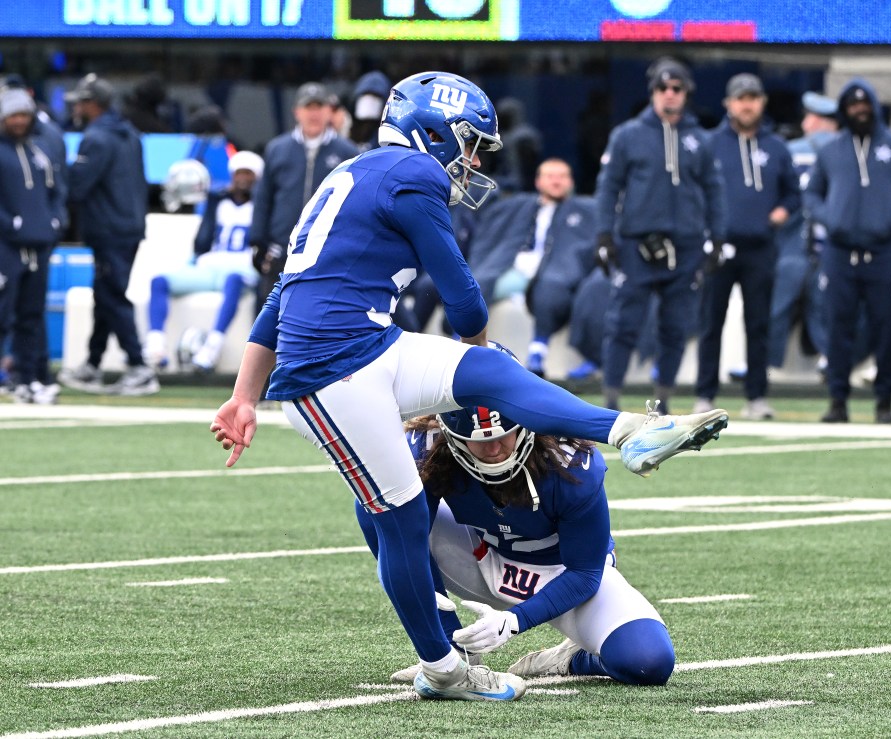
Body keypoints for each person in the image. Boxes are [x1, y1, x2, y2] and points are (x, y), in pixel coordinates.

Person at [209, 71, 728, 703]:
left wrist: (243, 395)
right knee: (399, 515)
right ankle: (445, 667)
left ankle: (628, 431)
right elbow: (459, 292)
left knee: (486, 375)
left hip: (364, 342)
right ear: (431, 132)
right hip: (328, 372)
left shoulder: (350, 174)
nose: (474, 160)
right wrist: (478, 351)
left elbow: (279, 300)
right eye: (470, 143)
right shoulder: (415, 174)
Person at [363, 399, 675, 687]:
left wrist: (514, 621)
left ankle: (572, 659)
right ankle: (449, 653)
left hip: (561, 572)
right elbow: (402, 537)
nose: (494, 448)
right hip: (478, 553)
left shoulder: (570, 460)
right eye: (479, 439)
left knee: (648, 661)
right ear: (451, 432)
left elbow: (585, 573)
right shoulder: (428, 446)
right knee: (381, 506)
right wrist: (439, 629)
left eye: (504, 434)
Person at [594, 57, 726, 413]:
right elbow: (608, 188)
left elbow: (715, 191)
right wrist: (604, 235)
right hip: (636, 244)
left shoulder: (701, 139)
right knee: (623, 322)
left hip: (686, 245)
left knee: (676, 326)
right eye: (663, 88)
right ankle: (611, 399)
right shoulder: (627, 135)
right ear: (653, 92)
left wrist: (718, 238)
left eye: (677, 89)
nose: (670, 95)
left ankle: (663, 399)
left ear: (686, 94)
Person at [804, 78, 891, 424]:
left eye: (865, 104)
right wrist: (831, 219)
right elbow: (812, 194)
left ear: (874, 106)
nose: (860, 110)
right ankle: (838, 399)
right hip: (840, 253)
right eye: (853, 105)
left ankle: (885, 402)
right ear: (844, 110)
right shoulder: (830, 150)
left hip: (884, 253)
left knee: (886, 328)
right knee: (837, 328)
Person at [695, 74, 800, 420]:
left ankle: (757, 396)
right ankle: (704, 395)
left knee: (759, 324)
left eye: (753, 97)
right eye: (740, 98)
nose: (747, 104)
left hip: (760, 246)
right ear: (729, 103)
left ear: (762, 102)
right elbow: (695, 189)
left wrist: (782, 211)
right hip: (719, 246)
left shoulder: (777, 147)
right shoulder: (711, 144)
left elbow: (793, 192)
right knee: (712, 322)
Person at [58, 74, 157, 396]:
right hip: (128, 228)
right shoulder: (130, 133)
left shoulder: (97, 138)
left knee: (112, 297)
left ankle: (139, 366)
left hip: (108, 230)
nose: (77, 108)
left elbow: (77, 186)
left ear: (92, 104)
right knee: (105, 295)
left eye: (81, 102)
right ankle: (92, 364)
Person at [468, 158, 596, 376]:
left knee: (552, 288)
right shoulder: (518, 206)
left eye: (562, 176)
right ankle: (461, 344)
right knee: (479, 284)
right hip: (516, 268)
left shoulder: (585, 210)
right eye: (550, 176)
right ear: (538, 181)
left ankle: (538, 351)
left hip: (554, 272)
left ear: (571, 181)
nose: (556, 182)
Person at [144, 151, 264, 373]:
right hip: (210, 265)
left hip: (241, 266)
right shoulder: (217, 202)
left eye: (249, 174)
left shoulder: (262, 206)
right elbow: (201, 243)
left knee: (234, 280)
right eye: (239, 173)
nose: (243, 179)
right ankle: (155, 345)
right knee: (159, 281)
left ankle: (212, 345)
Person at [248, 81, 358, 316]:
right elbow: (264, 197)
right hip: (280, 252)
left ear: (330, 111)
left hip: (327, 253)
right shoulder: (277, 149)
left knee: (317, 318)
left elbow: (356, 204)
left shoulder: (347, 152)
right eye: (308, 107)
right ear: (297, 111)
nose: (314, 113)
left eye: (319, 106)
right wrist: (257, 240)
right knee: (270, 318)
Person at [0, 87, 64, 404]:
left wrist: (55, 221)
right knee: (2, 314)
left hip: (38, 246)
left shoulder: (41, 153)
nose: (19, 121)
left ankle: (26, 378)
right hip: (6, 248)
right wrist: (10, 224)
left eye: (23, 114)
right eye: (13, 115)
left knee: (31, 315)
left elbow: (56, 192)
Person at [767, 91, 838, 377]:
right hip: (832, 244)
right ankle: (832, 363)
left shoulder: (790, 150)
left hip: (792, 242)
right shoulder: (848, 151)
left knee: (777, 306)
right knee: (829, 309)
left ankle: (766, 364)